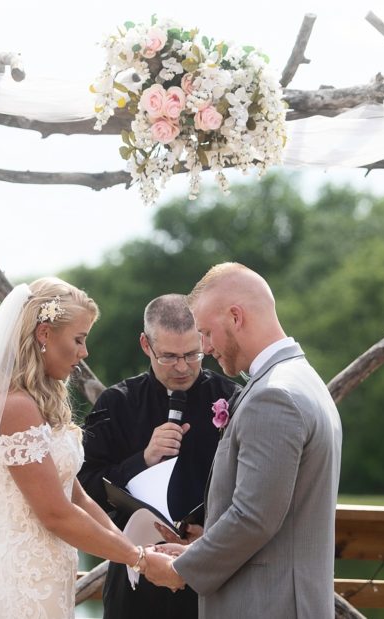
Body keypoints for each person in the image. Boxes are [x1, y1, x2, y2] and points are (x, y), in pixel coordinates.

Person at [0, 278, 171, 619]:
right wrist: (138, 559)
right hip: (21, 588)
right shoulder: (15, 407)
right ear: (44, 334)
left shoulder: (34, 405)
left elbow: (77, 497)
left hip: (47, 583)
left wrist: (134, 549)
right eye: (78, 339)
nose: (84, 352)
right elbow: (55, 514)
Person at [143, 263, 343, 619]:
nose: (204, 347)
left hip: (267, 605)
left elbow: (254, 518)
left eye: (205, 332)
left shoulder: (274, 395)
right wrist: (198, 548)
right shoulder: (301, 378)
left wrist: (180, 570)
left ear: (235, 317)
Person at [78, 294, 240, 619]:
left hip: (210, 577)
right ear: (145, 344)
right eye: (168, 356)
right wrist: (143, 460)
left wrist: (212, 530)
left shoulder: (233, 399)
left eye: (192, 354)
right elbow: (82, 487)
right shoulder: (116, 403)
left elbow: (254, 491)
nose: (182, 367)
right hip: (137, 581)